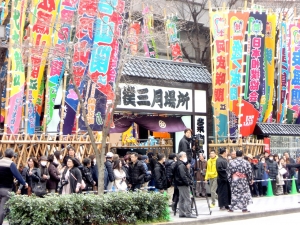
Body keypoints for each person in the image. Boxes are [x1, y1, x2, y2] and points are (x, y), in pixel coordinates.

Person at [0, 148, 28, 225]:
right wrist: (24, 183)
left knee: (5, 207)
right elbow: (17, 175)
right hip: (6, 189)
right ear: (12, 156)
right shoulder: (11, 164)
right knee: (2, 208)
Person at [174, 152, 196, 218]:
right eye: (185, 155)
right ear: (181, 157)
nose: (186, 157)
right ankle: (188, 213)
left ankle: (182, 213)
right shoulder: (181, 165)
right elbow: (183, 176)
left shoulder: (180, 164)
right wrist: (188, 182)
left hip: (180, 183)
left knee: (182, 199)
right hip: (183, 184)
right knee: (187, 199)